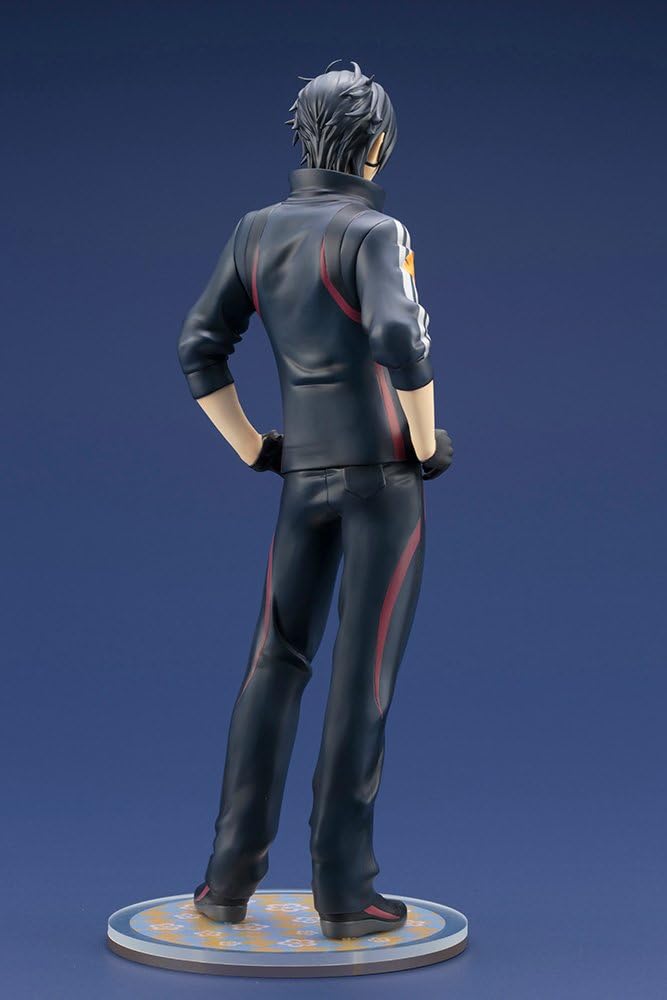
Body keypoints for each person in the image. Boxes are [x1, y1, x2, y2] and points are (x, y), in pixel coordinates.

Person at [177, 60, 453, 940]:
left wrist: (253, 446)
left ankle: (226, 880)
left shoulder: (256, 231)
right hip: (381, 481)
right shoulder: (374, 231)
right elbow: (400, 337)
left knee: (274, 663)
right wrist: (424, 444)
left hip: (301, 479)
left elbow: (198, 346)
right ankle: (346, 890)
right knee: (360, 678)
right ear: (374, 146)